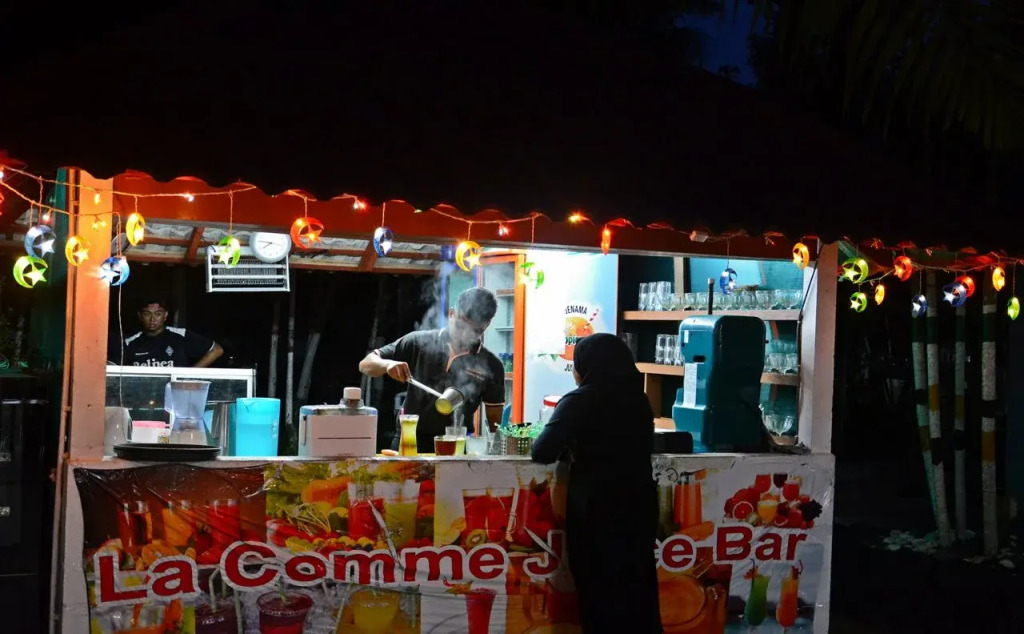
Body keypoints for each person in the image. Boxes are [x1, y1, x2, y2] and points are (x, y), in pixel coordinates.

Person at [531, 333, 662, 633]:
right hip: (640, 507)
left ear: (585, 366)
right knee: (638, 590)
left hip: (598, 511)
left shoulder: (580, 400)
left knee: (600, 594)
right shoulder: (639, 401)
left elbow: (542, 451)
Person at [359, 287, 506, 451]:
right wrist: (387, 365)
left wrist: (495, 451)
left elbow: (495, 425)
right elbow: (365, 364)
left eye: (476, 331)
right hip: (409, 441)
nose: (465, 335)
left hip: (456, 446)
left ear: (487, 325)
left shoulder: (492, 365)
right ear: (452, 313)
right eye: (460, 326)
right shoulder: (419, 342)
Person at [111, 296, 224, 368]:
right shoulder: (130, 342)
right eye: (147, 314)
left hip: (175, 392)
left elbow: (217, 350)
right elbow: (112, 366)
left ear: (165, 316)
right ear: (140, 316)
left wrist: (190, 374)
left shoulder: (180, 335)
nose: (152, 319)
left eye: (158, 314)